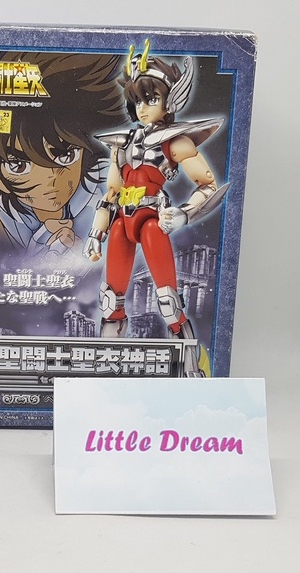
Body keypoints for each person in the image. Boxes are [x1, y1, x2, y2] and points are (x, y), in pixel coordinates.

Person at [84, 40, 228, 376]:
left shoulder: (175, 141)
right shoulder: (123, 143)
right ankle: (105, 373)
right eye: (137, 101)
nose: (142, 108)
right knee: (110, 301)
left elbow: (207, 185)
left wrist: (184, 213)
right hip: (121, 224)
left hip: (152, 222)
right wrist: (96, 233)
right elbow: (111, 193)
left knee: (167, 301)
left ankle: (191, 370)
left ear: (170, 100)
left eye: (151, 99)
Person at [0, 51, 124, 270]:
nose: (51, 180)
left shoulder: (103, 180)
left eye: (64, 155)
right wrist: (38, 255)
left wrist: (82, 258)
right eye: (19, 165)